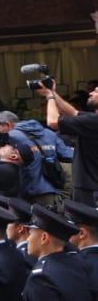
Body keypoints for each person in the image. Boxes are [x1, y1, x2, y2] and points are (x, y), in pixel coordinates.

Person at [45, 78, 98, 208]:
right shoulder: (92, 120)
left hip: (89, 189)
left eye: (96, 91)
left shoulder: (94, 121)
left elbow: (52, 122)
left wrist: (50, 97)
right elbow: (73, 112)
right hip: (89, 185)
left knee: (86, 226)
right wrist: (52, 91)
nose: (90, 93)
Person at [0, 110, 62, 206]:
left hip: (27, 194)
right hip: (50, 192)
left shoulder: (11, 135)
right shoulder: (49, 133)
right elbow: (68, 156)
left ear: (7, 125)